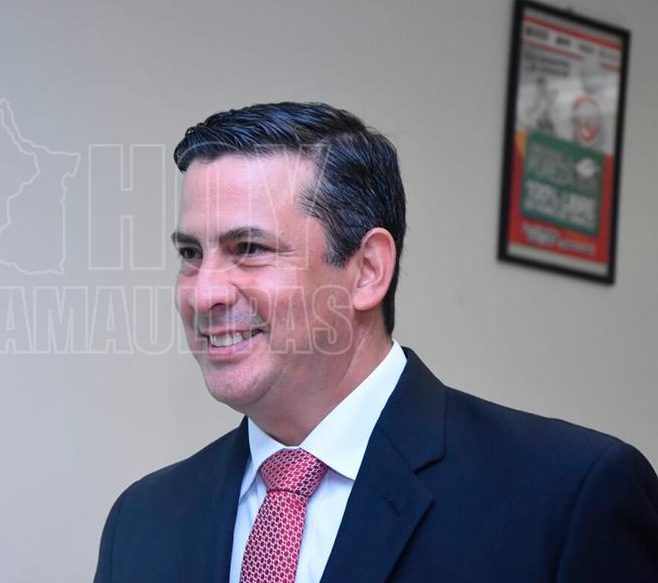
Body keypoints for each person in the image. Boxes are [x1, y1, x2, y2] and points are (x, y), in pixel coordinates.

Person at [93, 102, 658, 582]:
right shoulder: (141, 521)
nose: (204, 293)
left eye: (250, 249)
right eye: (190, 254)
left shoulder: (567, 496)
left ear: (367, 271)